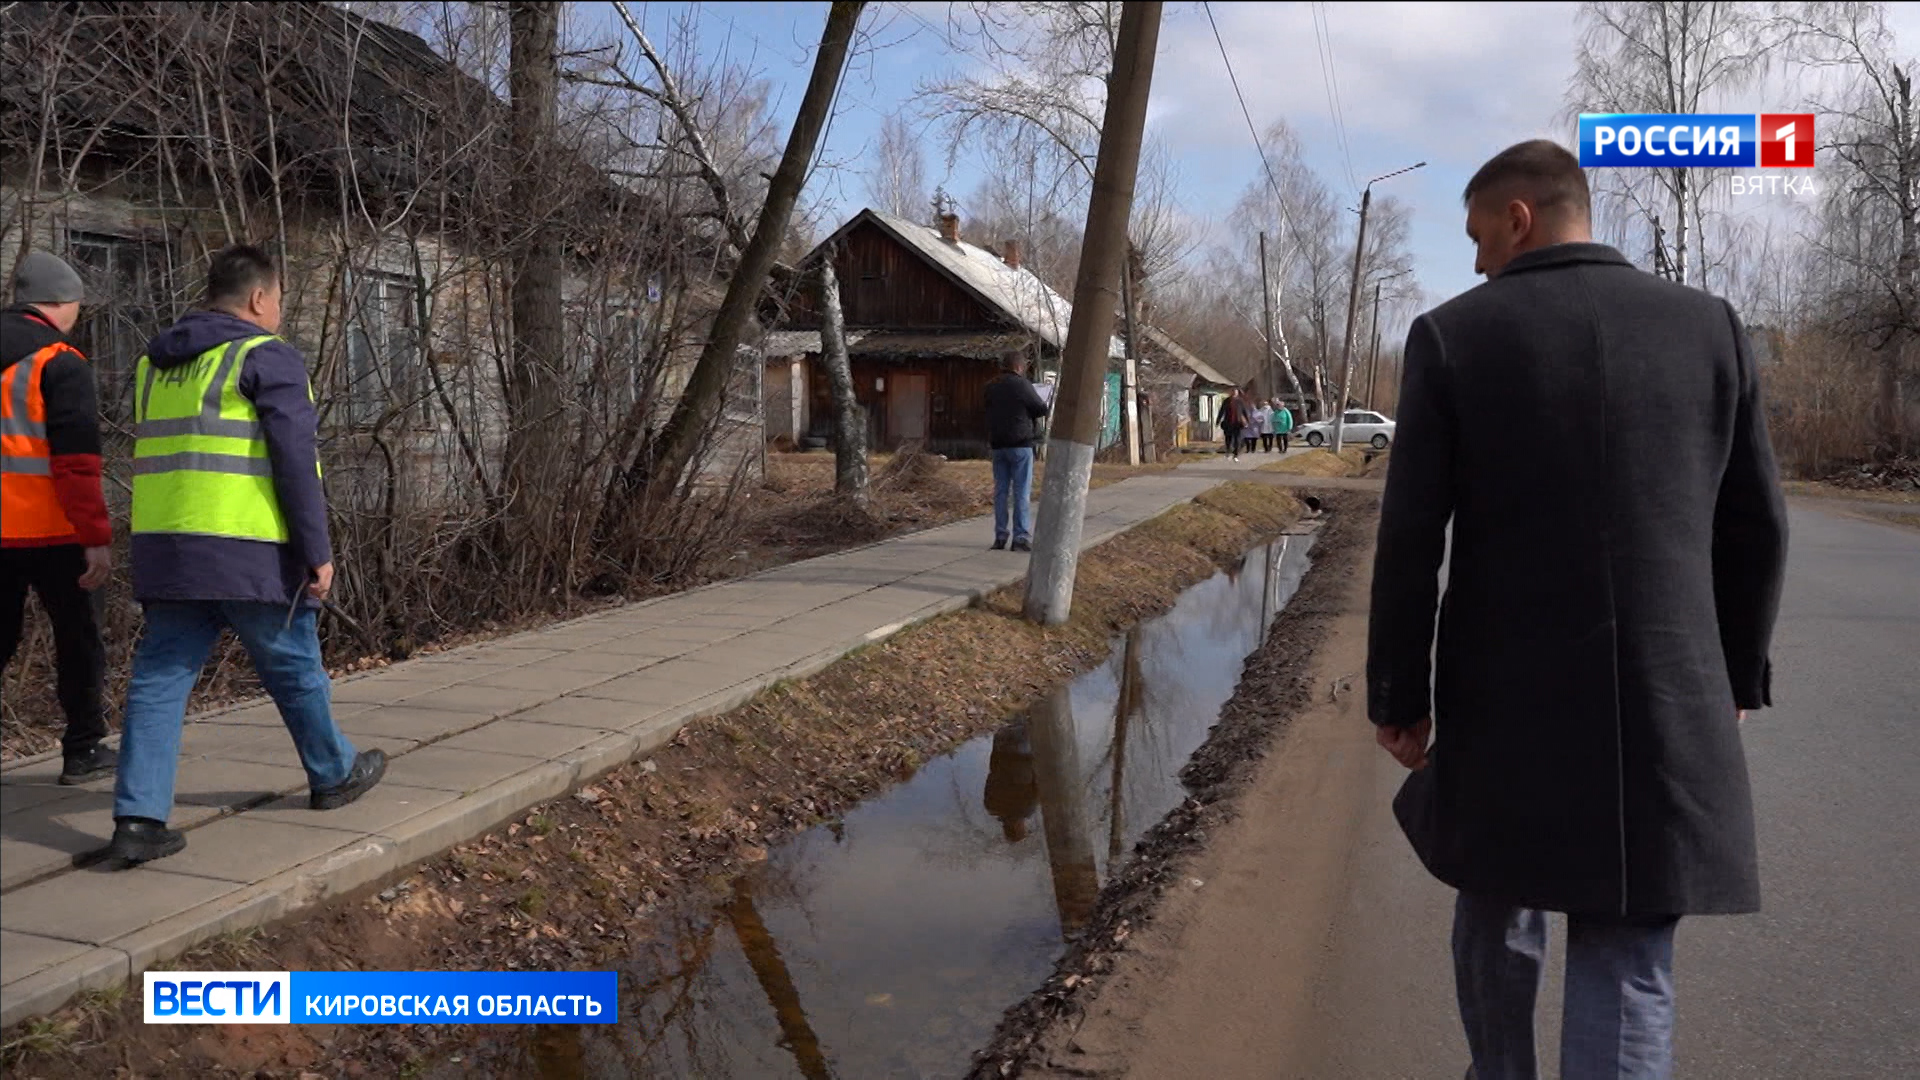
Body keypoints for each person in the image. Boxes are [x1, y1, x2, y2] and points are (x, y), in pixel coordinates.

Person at [1368, 140, 1789, 1080]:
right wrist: (1737, 674)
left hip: (1503, 700)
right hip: (1666, 695)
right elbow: (1755, 526)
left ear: (1520, 218)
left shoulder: (1452, 337)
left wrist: (1399, 693)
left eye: (1480, 237)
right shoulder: (1710, 327)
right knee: (1630, 944)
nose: (1475, 261)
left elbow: (1409, 542)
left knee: (1495, 901)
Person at [106, 244, 385, 867]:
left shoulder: (154, 366)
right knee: (294, 667)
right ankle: (334, 773)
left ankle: (139, 819)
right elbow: (294, 462)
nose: (279, 311)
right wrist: (317, 551)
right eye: (280, 299)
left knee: (158, 681)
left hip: (169, 553)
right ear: (259, 297)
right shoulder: (265, 357)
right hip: (248, 551)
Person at [1, 252, 116, 785]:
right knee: (78, 639)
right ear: (60, 304)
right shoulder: (59, 360)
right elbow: (76, 463)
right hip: (53, 533)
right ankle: (84, 748)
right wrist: (96, 538)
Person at [983, 351, 1049, 552]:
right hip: (1020, 444)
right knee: (1021, 491)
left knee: (1001, 491)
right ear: (1019, 367)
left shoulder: (990, 386)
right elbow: (1040, 408)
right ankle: (1020, 537)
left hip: (998, 445)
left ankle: (1000, 536)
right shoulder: (1021, 384)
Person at [1219, 388, 1246, 460]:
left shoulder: (1240, 401)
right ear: (1230, 392)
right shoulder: (1226, 401)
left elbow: (1244, 411)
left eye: (1235, 392)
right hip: (1228, 423)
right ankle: (1228, 451)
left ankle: (1236, 454)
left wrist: (1247, 421)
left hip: (1237, 423)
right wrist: (1218, 420)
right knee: (1228, 439)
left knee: (1237, 439)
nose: (1234, 393)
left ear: (1237, 393)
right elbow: (1222, 411)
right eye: (1233, 391)